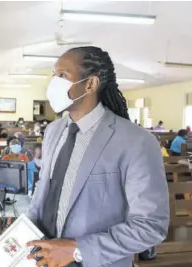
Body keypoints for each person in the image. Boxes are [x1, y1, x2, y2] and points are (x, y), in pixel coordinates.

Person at [26, 46, 168, 267]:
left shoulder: (137, 141)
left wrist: (77, 250)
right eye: (54, 75)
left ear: (90, 84)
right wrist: (24, 231)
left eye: (63, 76)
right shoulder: (54, 131)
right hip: (43, 258)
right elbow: (44, 190)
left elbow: (150, 225)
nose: (54, 83)